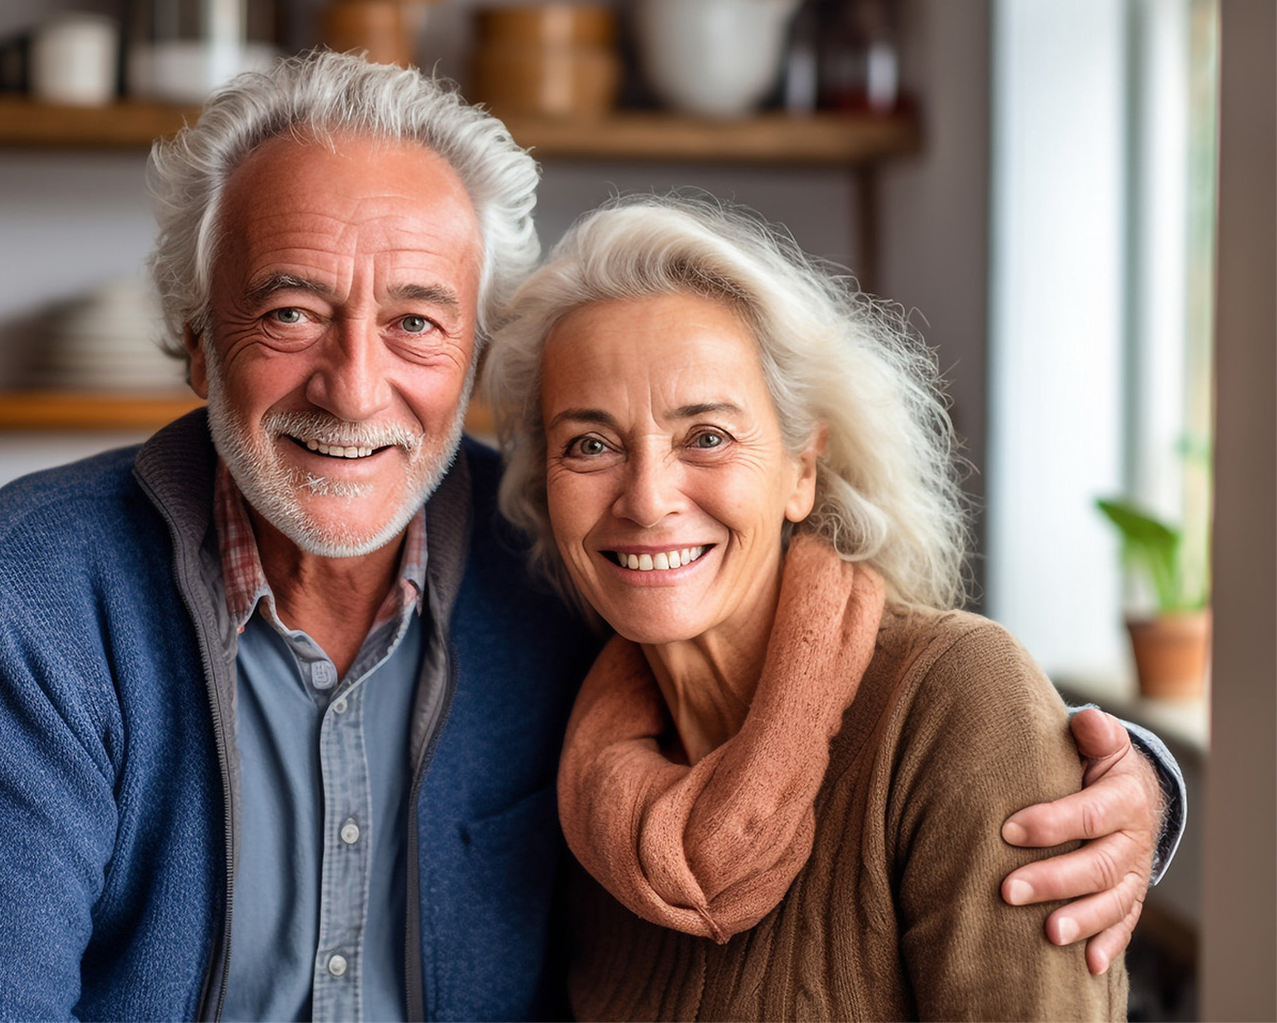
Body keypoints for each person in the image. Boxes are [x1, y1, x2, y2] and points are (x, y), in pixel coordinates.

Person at [0, 55, 1181, 1021]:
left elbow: (873, 697)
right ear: (196, 343)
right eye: (291, 312)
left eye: (418, 322)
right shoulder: (38, 590)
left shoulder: (560, 571)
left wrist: (1136, 786)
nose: (354, 386)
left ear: (475, 358)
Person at [485, 193, 1143, 1019]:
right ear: (547, 484)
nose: (647, 500)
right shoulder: (589, 778)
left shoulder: (956, 701)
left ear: (802, 469)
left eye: (708, 436)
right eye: (590, 445)